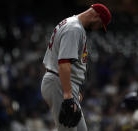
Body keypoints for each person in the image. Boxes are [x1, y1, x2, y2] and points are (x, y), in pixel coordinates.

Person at [41, 3, 111, 131]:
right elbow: (64, 63)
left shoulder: (73, 24)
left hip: (62, 82)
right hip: (58, 83)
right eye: (100, 25)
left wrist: (71, 89)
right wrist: (68, 95)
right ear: (96, 16)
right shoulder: (74, 29)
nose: (97, 29)